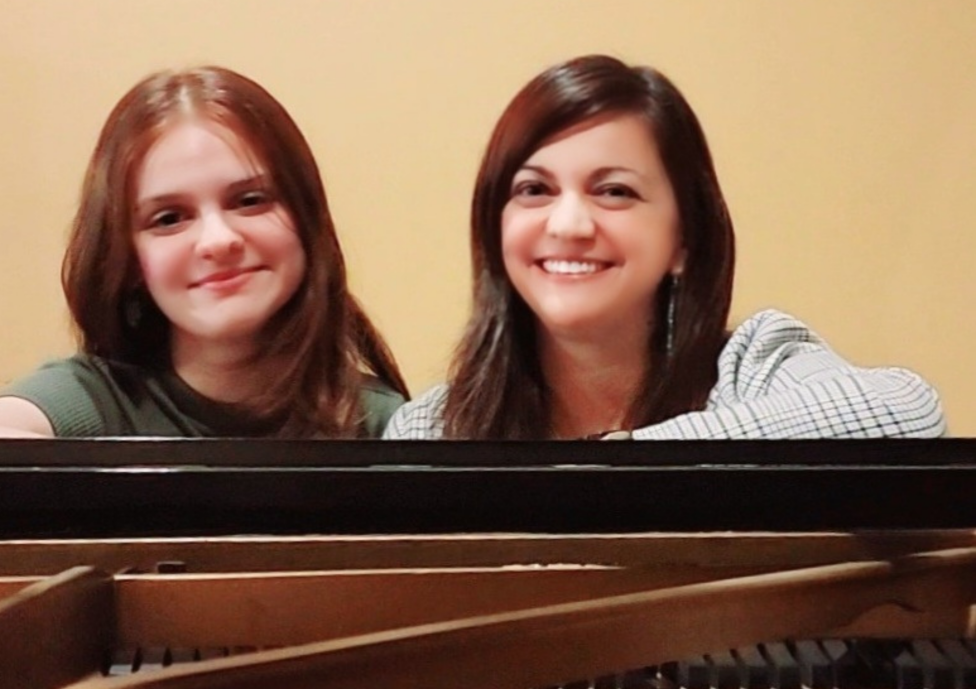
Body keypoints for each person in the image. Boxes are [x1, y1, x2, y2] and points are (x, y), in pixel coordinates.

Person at [384, 55, 944, 440]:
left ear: (684, 240)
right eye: (535, 190)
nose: (570, 222)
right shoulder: (433, 425)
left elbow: (908, 410)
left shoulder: (753, 364)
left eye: (615, 191)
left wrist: (626, 462)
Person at [0, 66, 407, 438]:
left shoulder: (384, 424)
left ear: (308, 220)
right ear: (127, 260)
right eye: (169, 218)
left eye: (250, 200)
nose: (217, 240)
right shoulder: (93, 402)